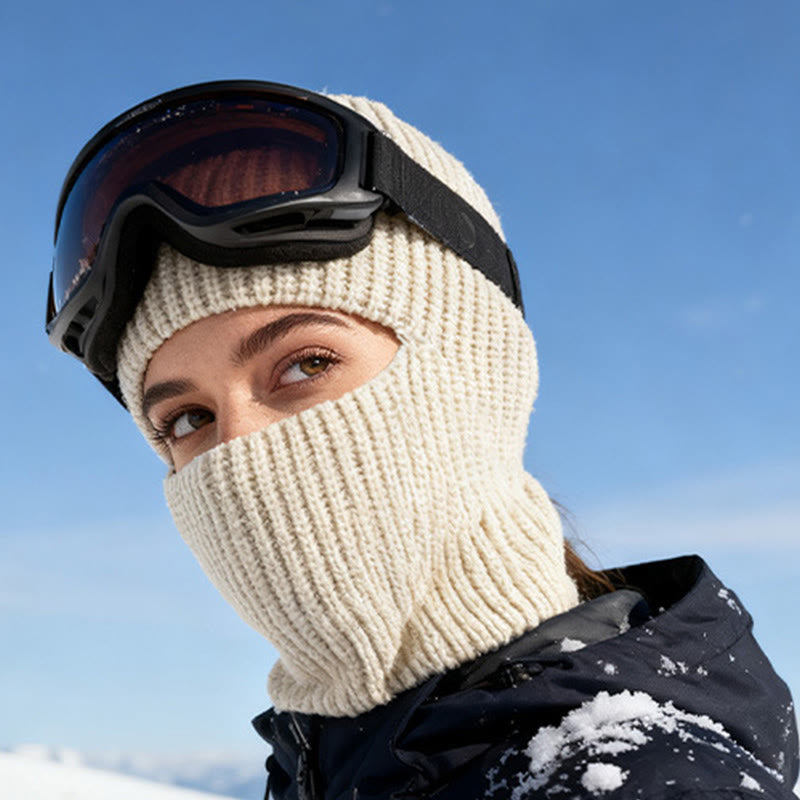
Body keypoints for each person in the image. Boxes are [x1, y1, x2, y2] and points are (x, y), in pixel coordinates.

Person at [46, 81, 798, 799]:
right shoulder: (331, 761)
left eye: (307, 364)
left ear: (479, 368)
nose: (240, 452)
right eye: (188, 419)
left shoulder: (636, 781)